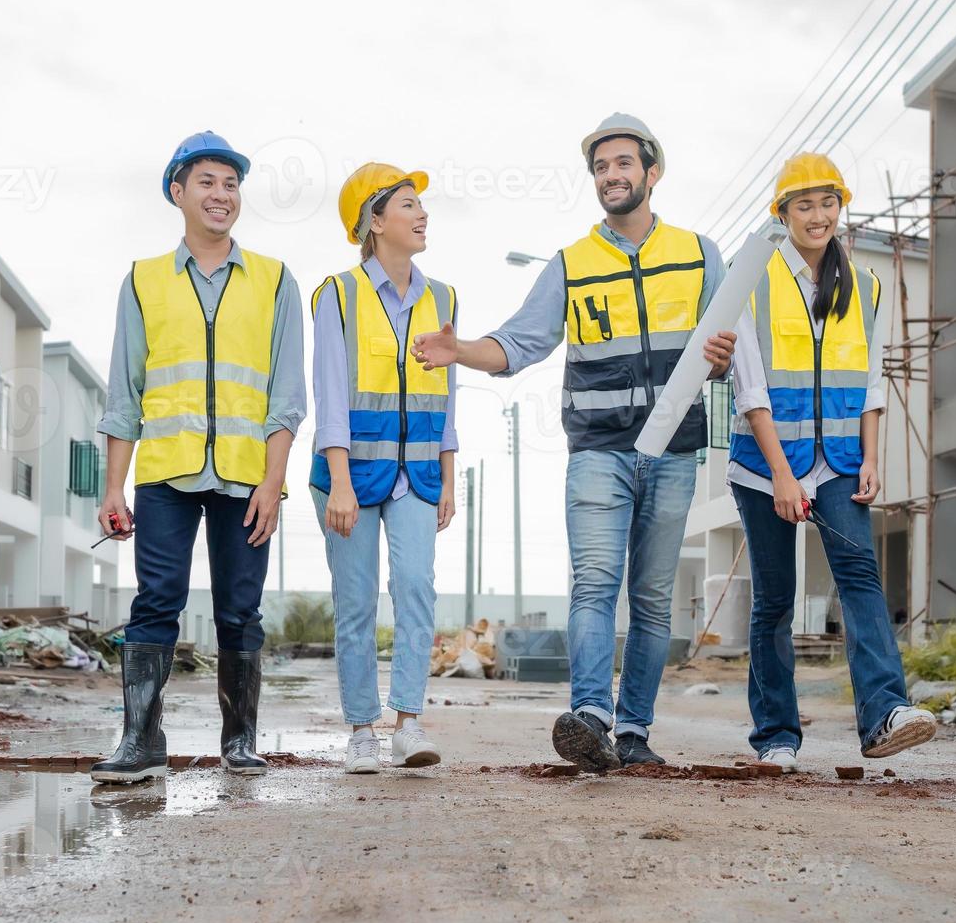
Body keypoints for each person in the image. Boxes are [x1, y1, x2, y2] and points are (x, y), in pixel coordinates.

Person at [412, 113, 736, 772]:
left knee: (650, 598)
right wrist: (462, 352)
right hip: (597, 451)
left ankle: (635, 733)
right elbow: (519, 342)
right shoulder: (571, 264)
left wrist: (724, 359)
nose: (610, 176)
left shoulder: (700, 254)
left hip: (672, 452)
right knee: (593, 582)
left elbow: (726, 350)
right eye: (600, 167)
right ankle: (590, 717)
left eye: (622, 164)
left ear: (652, 171)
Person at [91, 130, 306, 783]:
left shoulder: (273, 280)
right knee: (155, 600)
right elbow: (123, 392)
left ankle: (239, 740)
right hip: (166, 474)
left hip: (246, 477)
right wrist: (112, 490)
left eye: (231, 183)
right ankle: (140, 739)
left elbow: (287, 393)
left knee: (239, 609)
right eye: (207, 182)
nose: (221, 194)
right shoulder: (144, 280)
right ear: (178, 193)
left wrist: (274, 481)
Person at [726, 153, 936, 774]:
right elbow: (751, 389)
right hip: (767, 466)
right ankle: (776, 737)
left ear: (840, 208)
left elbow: (871, 383)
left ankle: (885, 715)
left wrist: (872, 457)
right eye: (803, 205)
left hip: (842, 460)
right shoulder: (752, 279)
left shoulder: (866, 287)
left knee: (860, 577)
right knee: (775, 598)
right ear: (783, 214)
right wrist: (784, 477)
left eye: (828, 203)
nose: (818, 216)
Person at [310, 163, 457, 774]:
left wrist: (450, 474)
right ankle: (362, 731)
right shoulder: (337, 294)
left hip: (418, 473)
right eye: (406, 204)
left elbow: (447, 395)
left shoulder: (443, 297)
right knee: (356, 601)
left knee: (417, 587)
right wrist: (339, 482)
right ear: (374, 223)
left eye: (420, 204)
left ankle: (408, 722)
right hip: (352, 477)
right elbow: (330, 395)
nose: (421, 214)